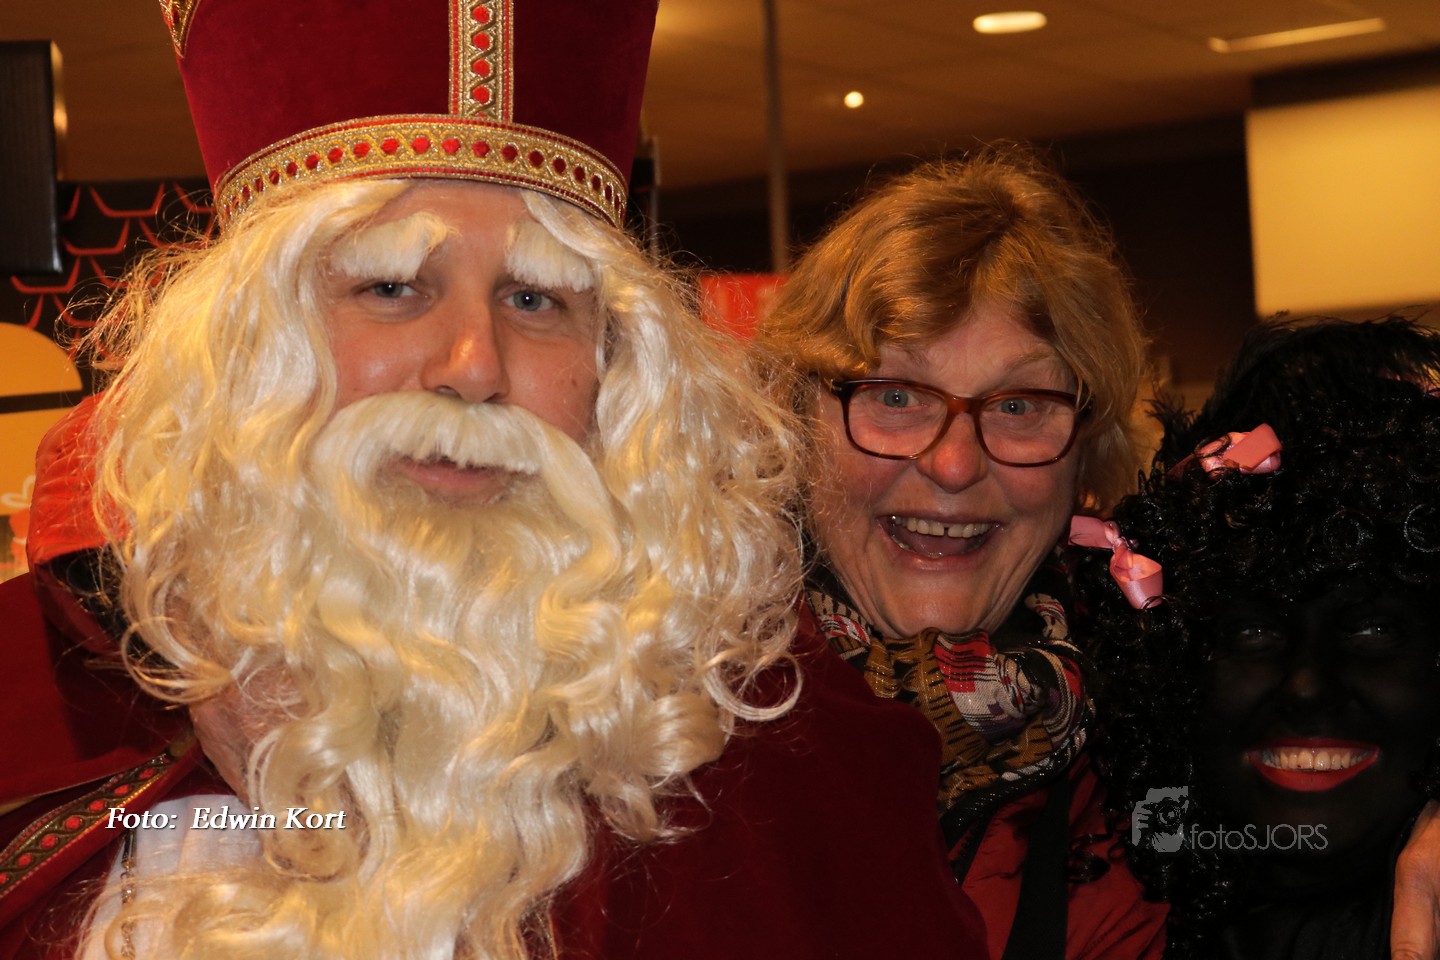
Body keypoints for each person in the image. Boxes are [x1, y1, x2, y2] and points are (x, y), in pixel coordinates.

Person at [0, 0, 986, 957]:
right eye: (392, 287)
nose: (474, 366)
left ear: (618, 370)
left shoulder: (788, 761)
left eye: (535, 299)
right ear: (248, 349)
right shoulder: (44, 705)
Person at [753, 146, 1166, 959]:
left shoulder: (1160, 740)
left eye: (1019, 405)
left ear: (1087, 453)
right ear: (792, 428)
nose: (952, 465)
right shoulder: (660, 735)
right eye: (895, 396)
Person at [1082, 317, 1440, 959]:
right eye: (1253, 630)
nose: (1308, 688)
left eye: (1373, 629)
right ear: (1170, 665)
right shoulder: (1077, 898)